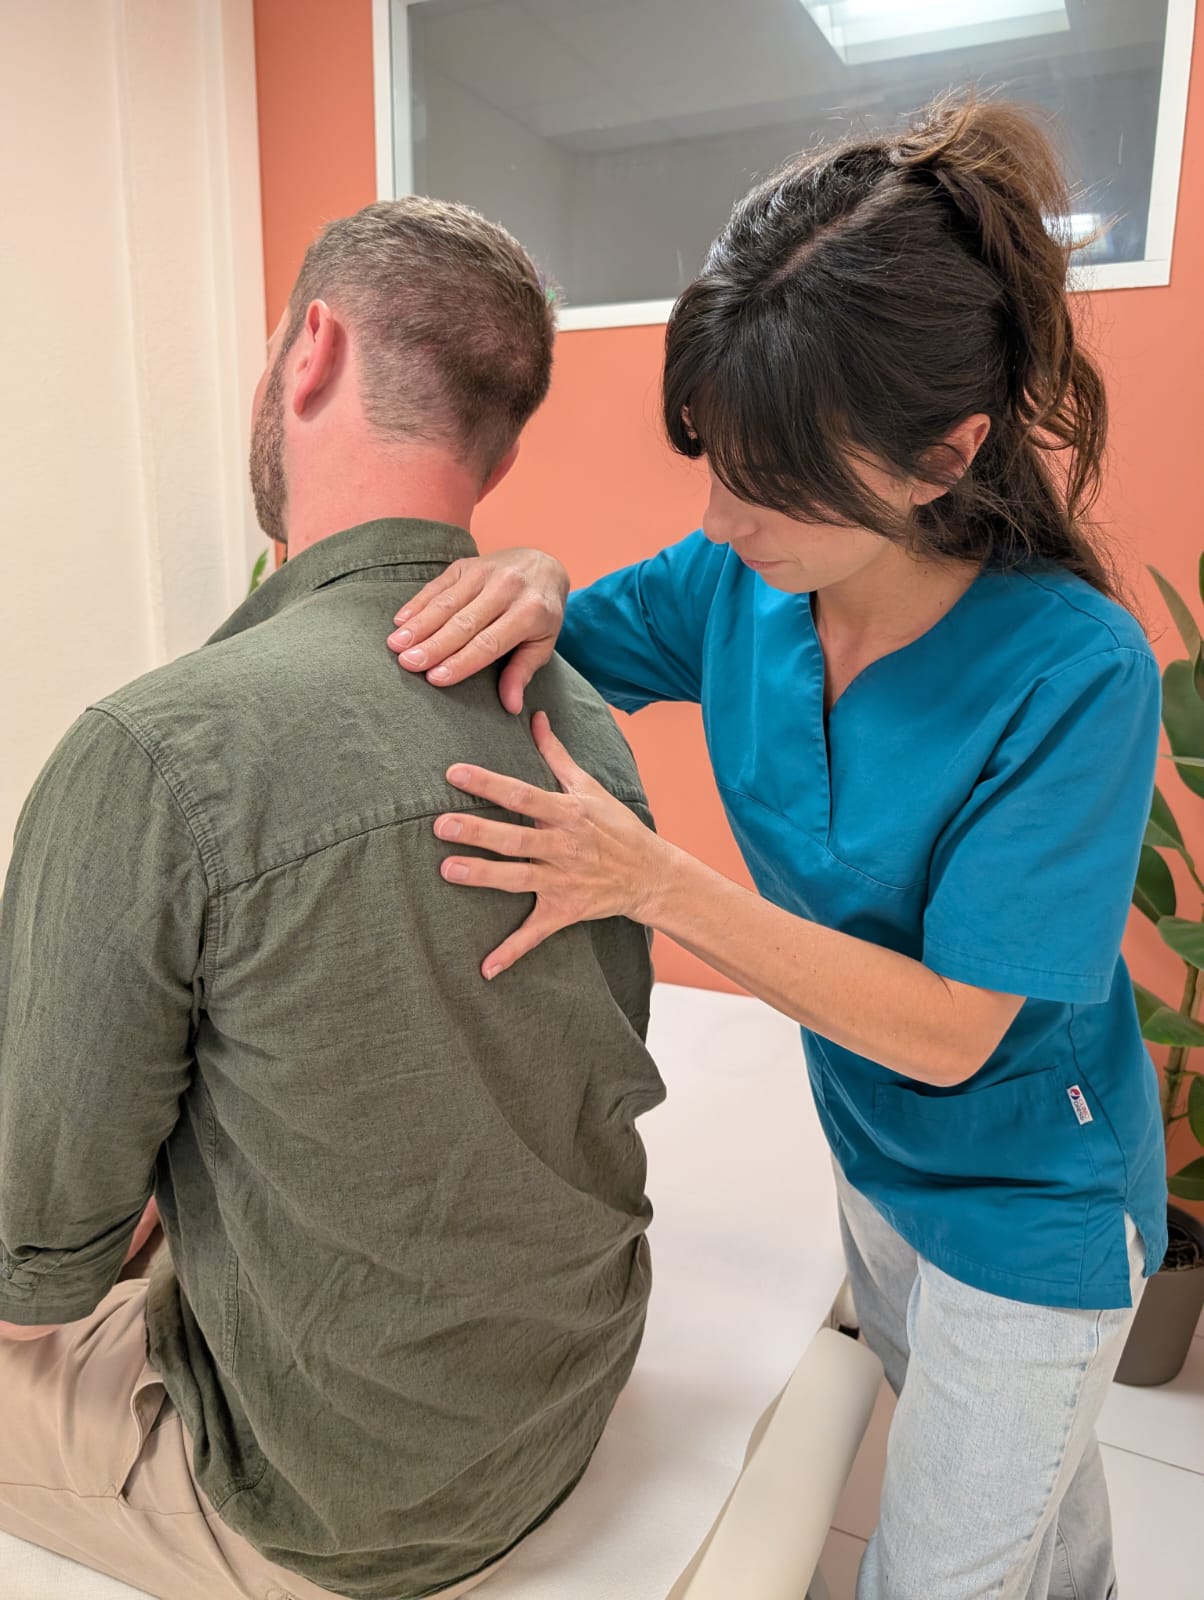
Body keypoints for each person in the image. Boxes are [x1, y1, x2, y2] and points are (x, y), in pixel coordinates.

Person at [386, 100, 1168, 1600]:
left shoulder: (1077, 675)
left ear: (942, 456)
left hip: (1032, 1207)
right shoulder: (738, 585)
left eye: (773, 482)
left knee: (945, 1567)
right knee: (1038, 1515)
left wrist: (646, 880)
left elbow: (951, 1033)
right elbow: (561, 645)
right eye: (717, 460)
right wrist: (530, 571)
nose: (722, 515)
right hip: (870, 1159)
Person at [0, 198, 665, 1600]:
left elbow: (33, 1279)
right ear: (501, 447)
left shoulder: (153, 752)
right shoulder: (587, 727)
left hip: (332, 1499)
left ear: (310, 350)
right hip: (563, 1400)